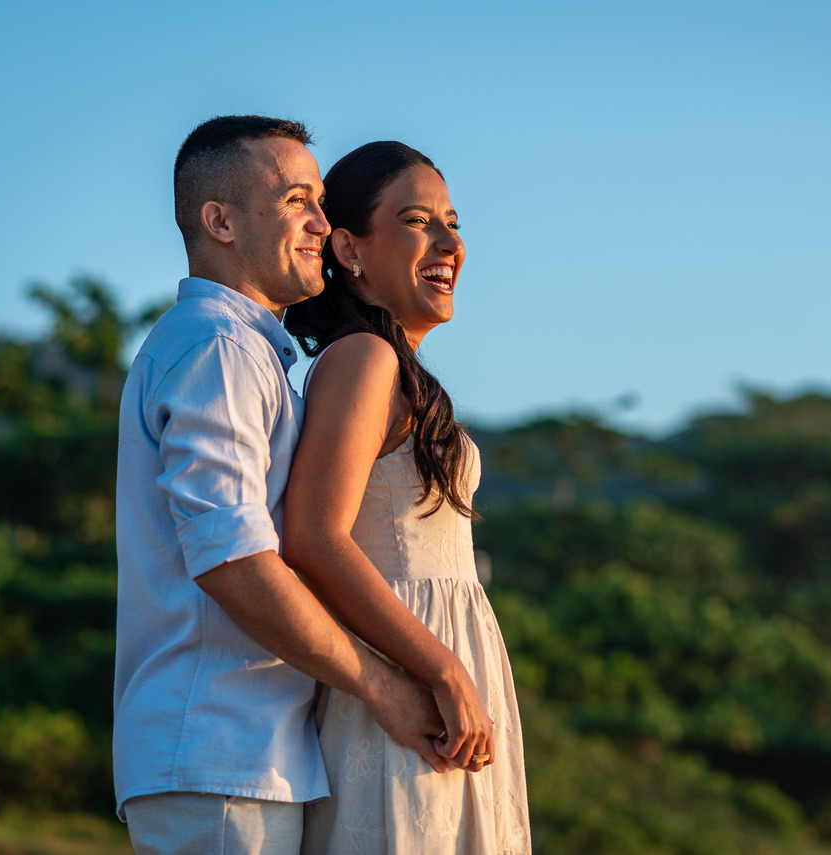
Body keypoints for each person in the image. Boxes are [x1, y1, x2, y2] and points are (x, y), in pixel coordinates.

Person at [114, 117, 453, 854]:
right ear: (221, 221)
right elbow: (232, 558)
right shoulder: (218, 346)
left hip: (242, 754)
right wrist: (382, 683)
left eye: (321, 201)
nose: (321, 224)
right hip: (220, 752)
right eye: (298, 199)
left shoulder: (244, 352)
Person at [282, 141, 531, 854]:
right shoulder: (364, 358)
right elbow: (314, 539)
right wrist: (444, 669)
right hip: (407, 686)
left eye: (453, 222)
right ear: (351, 249)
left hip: (435, 687)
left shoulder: (396, 366)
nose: (449, 243)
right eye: (418, 221)